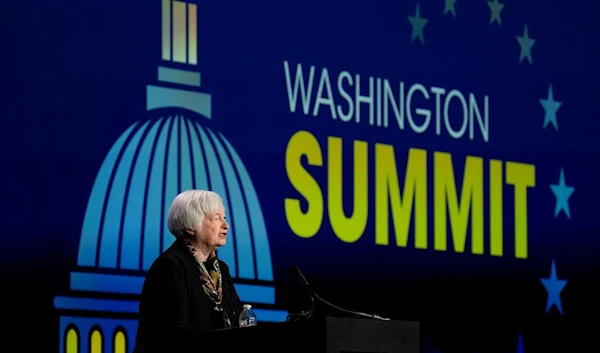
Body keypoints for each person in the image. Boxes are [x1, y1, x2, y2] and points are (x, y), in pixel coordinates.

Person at [133, 190, 244, 353]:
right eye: (216, 218)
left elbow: (240, 318)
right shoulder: (170, 266)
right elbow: (173, 332)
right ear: (191, 226)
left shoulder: (221, 269)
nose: (225, 225)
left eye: (224, 217)